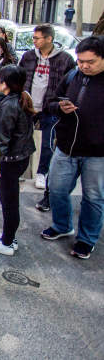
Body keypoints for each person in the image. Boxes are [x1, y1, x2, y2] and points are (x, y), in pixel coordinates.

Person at [42, 36, 104, 260]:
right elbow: (50, 102)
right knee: (56, 188)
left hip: (97, 154)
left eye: (91, 62)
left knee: (93, 198)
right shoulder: (72, 76)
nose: (85, 66)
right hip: (66, 147)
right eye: (81, 61)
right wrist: (59, 107)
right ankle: (62, 225)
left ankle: (87, 239)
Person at [18, 24, 76, 210]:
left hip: (50, 108)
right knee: (22, 138)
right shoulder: (28, 56)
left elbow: (70, 85)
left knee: (47, 143)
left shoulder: (65, 59)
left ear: (49, 39)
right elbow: (20, 77)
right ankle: (22, 170)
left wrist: (60, 104)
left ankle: (42, 173)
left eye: (37, 38)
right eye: (34, 38)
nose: (34, 41)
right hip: (28, 106)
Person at [0, 65, 35, 255]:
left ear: (5, 83)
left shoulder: (10, 105)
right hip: (18, 158)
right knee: (9, 200)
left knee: (9, 202)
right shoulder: (18, 99)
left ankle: (7, 242)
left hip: (11, 161)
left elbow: (2, 139)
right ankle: (7, 236)